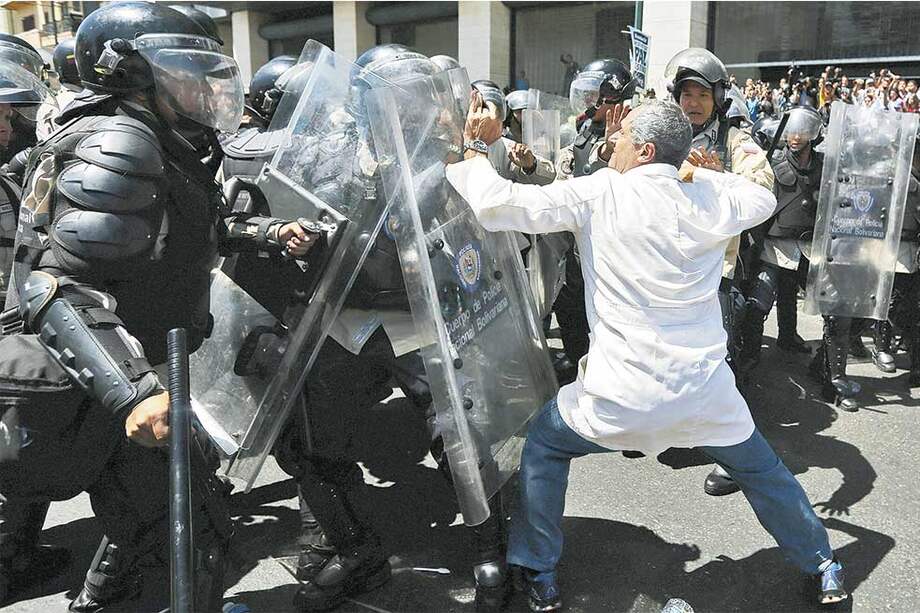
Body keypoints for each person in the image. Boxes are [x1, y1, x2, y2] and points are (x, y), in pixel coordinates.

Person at [447, 96, 846, 612]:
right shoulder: (709, 198)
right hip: (705, 397)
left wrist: (476, 144)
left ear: (645, 150)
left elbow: (497, 203)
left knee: (544, 446)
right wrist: (707, 174)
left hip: (616, 399)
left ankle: (538, 571)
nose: (614, 141)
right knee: (766, 473)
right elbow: (760, 199)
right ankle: (823, 565)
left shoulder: (601, 192)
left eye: (625, 136)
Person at [0, 3, 311, 609]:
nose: (203, 86)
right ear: (131, 73)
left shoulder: (158, 139)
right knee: (186, 537)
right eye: (184, 70)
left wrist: (269, 234)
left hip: (138, 367)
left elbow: (182, 231)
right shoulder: (121, 140)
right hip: (118, 376)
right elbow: (58, 286)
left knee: (161, 530)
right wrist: (137, 393)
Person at [665, 47, 774, 379]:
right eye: (687, 94)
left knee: (719, 359)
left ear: (718, 98)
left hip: (715, 268)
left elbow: (763, 183)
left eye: (702, 94)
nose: (693, 103)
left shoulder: (734, 140)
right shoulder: (664, 136)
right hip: (665, 262)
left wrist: (723, 179)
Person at [552, 58, 634, 382]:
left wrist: (614, 149)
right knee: (569, 305)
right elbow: (567, 171)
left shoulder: (634, 132)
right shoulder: (583, 129)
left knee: (609, 315)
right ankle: (578, 364)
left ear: (612, 98)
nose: (587, 102)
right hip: (577, 242)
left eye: (593, 95)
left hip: (613, 247)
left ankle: (608, 375)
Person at [870, 132, 920, 385]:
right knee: (889, 299)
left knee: (914, 306)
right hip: (896, 246)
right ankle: (881, 347)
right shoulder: (892, 175)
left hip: (915, 248)